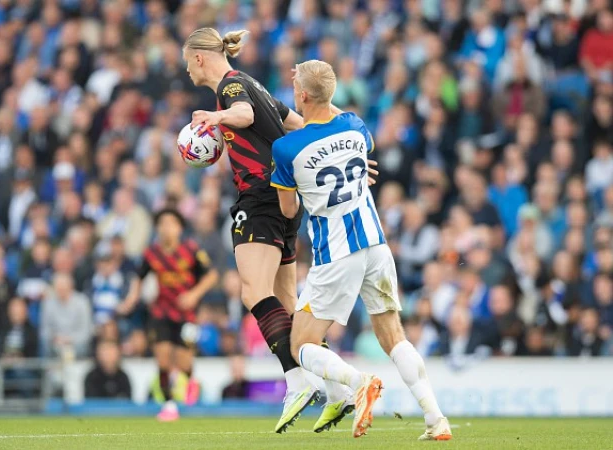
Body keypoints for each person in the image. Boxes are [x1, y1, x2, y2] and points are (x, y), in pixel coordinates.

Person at [181, 28, 377, 433]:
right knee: (288, 307)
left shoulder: (231, 87)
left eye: (187, 61)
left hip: (259, 200)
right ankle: (340, 389)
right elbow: (297, 122)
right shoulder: (253, 84)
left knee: (253, 292)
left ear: (199, 57)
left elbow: (246, 117)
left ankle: (296, 380)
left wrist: (217, 116)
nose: (186, 70)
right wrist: (347, 151)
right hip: (286, 204)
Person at [272, 60, 451, 441]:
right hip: (376, 244)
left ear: (302, 95)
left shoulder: (286, 148)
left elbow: (289, 210)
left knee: (300, 343)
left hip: (336, 252)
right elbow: (344, 133)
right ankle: (436, 418)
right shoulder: (355, 126)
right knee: (393, 334)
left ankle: (358, 383)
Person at [118, 209, 219, 421]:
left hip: (187, 315)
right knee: (163, 360)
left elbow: (211, 275)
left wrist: (193, 295)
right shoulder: (151, 254)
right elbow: (139, 277)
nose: (167, 228)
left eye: (171, 223)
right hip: (161, 312)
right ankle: (169, 404)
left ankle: (190, 379)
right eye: (162, 224)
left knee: (183, 362)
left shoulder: (191, 250)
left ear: (179, 228)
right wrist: (130, 300)